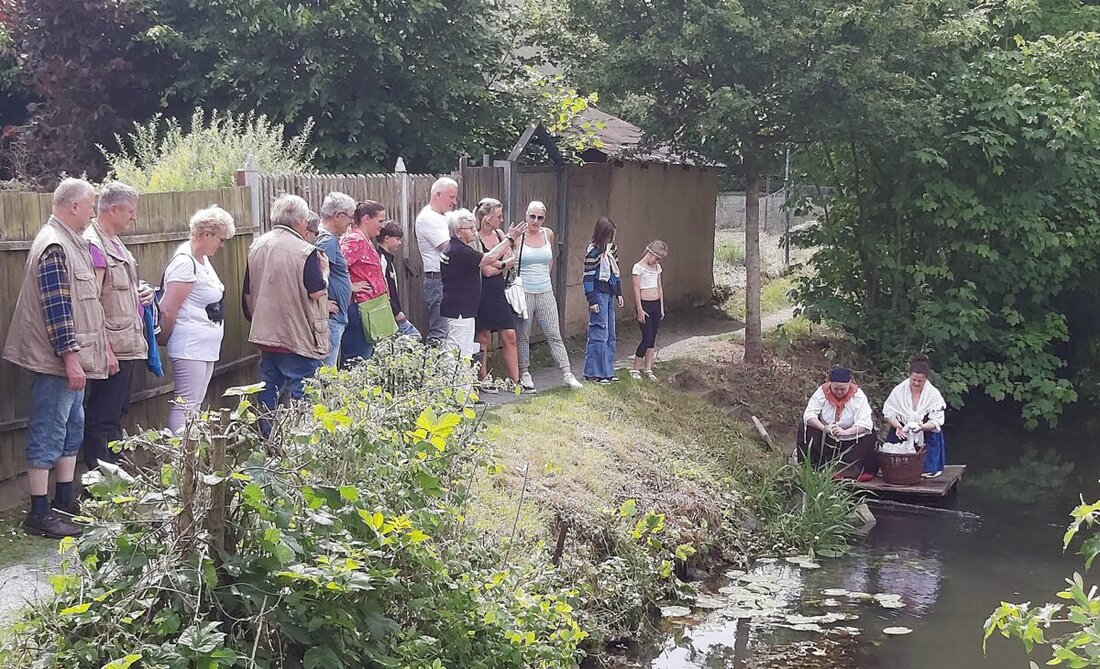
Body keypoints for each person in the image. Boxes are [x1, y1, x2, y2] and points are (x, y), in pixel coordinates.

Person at [3, 178, 105, 538]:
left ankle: (64, 501)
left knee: (70, 429)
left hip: (68, 360)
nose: (94, 212)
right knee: (48, 431)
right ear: (73, 206)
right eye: (91, 205)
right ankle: (39, 512)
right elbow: (57, 310)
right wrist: (71, 358)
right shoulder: (55, 245)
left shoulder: (71, 241)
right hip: (56, 362)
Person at [82, 181, 155, 469]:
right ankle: (101, 482)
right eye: (130, 211)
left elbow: (119, 289)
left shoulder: (115, 242)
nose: (133, 216)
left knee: (118, 410)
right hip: (113, 346)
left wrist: (144, 291)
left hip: (129, 342)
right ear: (112, 209)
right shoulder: (94, 245)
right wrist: (106, 349)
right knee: (103, 415)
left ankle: (114, 474)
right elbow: (92, 302)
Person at [244, 194, 329, 416]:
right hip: (296, 335)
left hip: (265, 334)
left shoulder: (257, 245)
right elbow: (317, 290)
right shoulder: (305, 251)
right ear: (300, 220)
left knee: (268, 392)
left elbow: (247, 292)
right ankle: (304, 445)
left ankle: (267, 441)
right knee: (306, 394)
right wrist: (325, 272)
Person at [160, 205, 235, 433]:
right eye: (220, 239)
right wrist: (163, 337)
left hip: (205, 344)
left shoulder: (202, 258)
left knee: (195, 405)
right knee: (186, 404)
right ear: (206, 234)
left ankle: (190, 459)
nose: (221, 245)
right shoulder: (185, 262)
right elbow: (167, 308)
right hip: (189, 344)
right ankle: (179, 459)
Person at [516, 201, 583, 391]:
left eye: (540, 218)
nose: (535, 221)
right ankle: (525, 372)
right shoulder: (519, 235)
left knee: (554, 333)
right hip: (525, 291)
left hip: (545, 289)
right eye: (532, 216)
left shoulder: (548, 234)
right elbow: (512, 261)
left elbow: (550, 259)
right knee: (523, 335)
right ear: (526, 215)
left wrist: (545, 277)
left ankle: (567, 373)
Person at [440, 209, 524, 361]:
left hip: (460, 309)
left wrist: (503, 262)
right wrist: (510, 239)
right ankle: (454, 384)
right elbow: (489, 258)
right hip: (460, 311)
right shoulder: (460, 251)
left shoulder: (454, 248)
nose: (474, 231)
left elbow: (490, 260)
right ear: (458, 232)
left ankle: (463, 384)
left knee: (464, 351)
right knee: (458, 352)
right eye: (470, 228)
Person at [797, 367, 877, 481]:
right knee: (805, 426)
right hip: (826, 435)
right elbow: (809, 414)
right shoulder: (822, 392)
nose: (839, 392)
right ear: (830, 384)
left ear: (849, 383)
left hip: (850, 437)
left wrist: (845, 432)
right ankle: (813, 466)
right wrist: (825, 428)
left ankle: (849, 470)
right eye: (836, 389)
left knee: (869, 434)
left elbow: (865, 422)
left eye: (843, 389)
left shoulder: (858, 396)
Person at [472, 198, 519, 391]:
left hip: (499, 291)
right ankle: (483, 379)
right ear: (488, 219)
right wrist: (503, 264)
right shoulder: (475, 238)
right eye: (498, 216)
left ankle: (515, 380)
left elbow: (512, 259)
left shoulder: (500, 235)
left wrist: (500, 264)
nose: (501, 220)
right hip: (482, 292)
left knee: (509, 334)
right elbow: (486, 271)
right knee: (482, 336)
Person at [882, 354, 947, 478]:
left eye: (920, 381)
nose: (916, 383)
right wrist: (898, 426)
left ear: (926, 379)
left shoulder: (933, 394)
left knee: (925, 470)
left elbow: (937, 421)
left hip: (926, 433)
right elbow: (889, 413)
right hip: (902, 432)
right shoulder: (899, 390)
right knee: (897, 467)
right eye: (914, 380)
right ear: (909, 376)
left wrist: (921, 427)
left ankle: (927, 466)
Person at [340, 200, 388, 363]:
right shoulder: (355, 240)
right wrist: (351, 286)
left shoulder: (364, 239)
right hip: (359, 309)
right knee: (358, 358)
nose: (383, 226)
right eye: (380, 221)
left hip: (371, 309)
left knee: (366, 356)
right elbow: (335, 268)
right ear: (366, 218)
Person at [314, 192, 356, 367]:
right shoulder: (327, 240)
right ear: (338, 216)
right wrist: (324, 305)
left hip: (333, 317)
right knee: (326, 374)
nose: (351, 222)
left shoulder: (325, 237)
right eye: (350, 217)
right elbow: (316, 273)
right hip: (330, 318)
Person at [415, 177, 458, 345]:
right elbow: (449, 248)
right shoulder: (427, 218)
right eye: (451, 197)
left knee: (452, 329)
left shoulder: (445, 216)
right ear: (438, 194)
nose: (454, 202)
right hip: (438, 279)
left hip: (450, 279)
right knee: (439, 330)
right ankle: (435, 368)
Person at [582, 216, 623, 384]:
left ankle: (607, 370)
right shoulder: (593, 252)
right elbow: (588, 277)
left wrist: (619, 292)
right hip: (598, 294)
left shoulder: (612, 250)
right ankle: (594, 372)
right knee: (599, 333)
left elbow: (616, 271)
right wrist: (592, 301)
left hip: (609, 293)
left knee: (610, 334)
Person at [377, 221, 422, 340]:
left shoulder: (388, 259)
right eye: (397, 239)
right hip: (388, 312)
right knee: (414, 337)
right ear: (386, 238)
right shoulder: (381, 259)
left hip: (392, 311)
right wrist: (396, 311)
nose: (400, 243)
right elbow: (382, 289)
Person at [631, 240, 668, 381]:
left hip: (656, 304)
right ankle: (635, 368)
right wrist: (639, 309)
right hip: (645, 304)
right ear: (650, 253)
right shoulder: (638, 268)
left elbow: (659, 287)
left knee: (652, 338)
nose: (657, 261)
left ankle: (648, 368)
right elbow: (636, 289)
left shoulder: (657, 268)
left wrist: (661, 306)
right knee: (646, 338)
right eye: (657, 258)